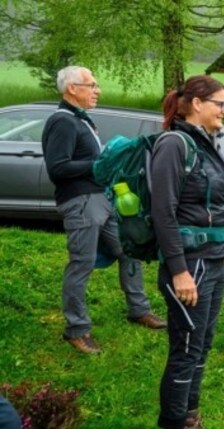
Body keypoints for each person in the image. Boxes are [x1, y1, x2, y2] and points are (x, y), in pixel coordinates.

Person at [41, 65, 164, 354]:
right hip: (81, 202)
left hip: (103, 199)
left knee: (129, 251)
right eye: (92, 85)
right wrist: (101, 164)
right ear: (72, 89)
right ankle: (77, 329)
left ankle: (139, 309)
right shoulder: (62, 121)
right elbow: (57, 168)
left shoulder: (81, 120)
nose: (97, 90)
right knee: (82, 263)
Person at [151, 75, 224, 429]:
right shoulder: (174, 144)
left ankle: (191, 421)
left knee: (202, 345)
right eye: (220, 102)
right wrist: (180, 270)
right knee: (185, 349)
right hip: (190, 265)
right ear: (197, 103)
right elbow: (163, 213)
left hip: (214, 260)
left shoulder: (206, 142)